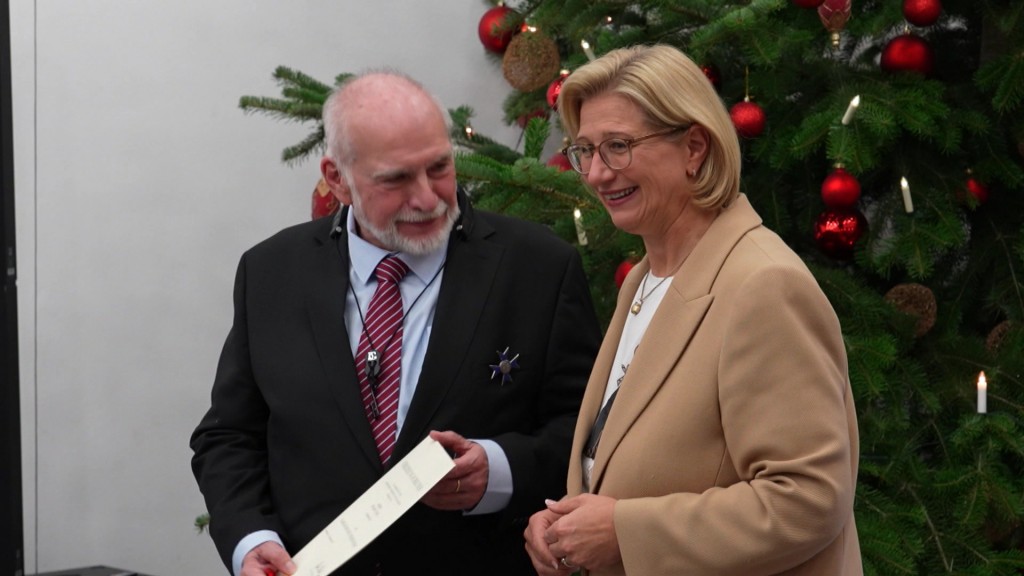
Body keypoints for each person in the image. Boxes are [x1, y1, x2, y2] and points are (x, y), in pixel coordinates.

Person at [191, 70, 602, 576]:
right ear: (336, 178)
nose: (428, 198)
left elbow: (589, 435)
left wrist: (497, 469)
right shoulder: (271, 272)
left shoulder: (539, 268)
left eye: (439, 168)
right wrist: (250, 539)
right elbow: (229, 435)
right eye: (396, 179)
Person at [523, 44, 862, 575]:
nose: (595, 174)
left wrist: (624, 534)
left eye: (618, 146)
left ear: (695, 147)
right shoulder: (645, 277)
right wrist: (566, 525)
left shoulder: (763, 284)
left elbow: (809, 500)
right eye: (584, 150)